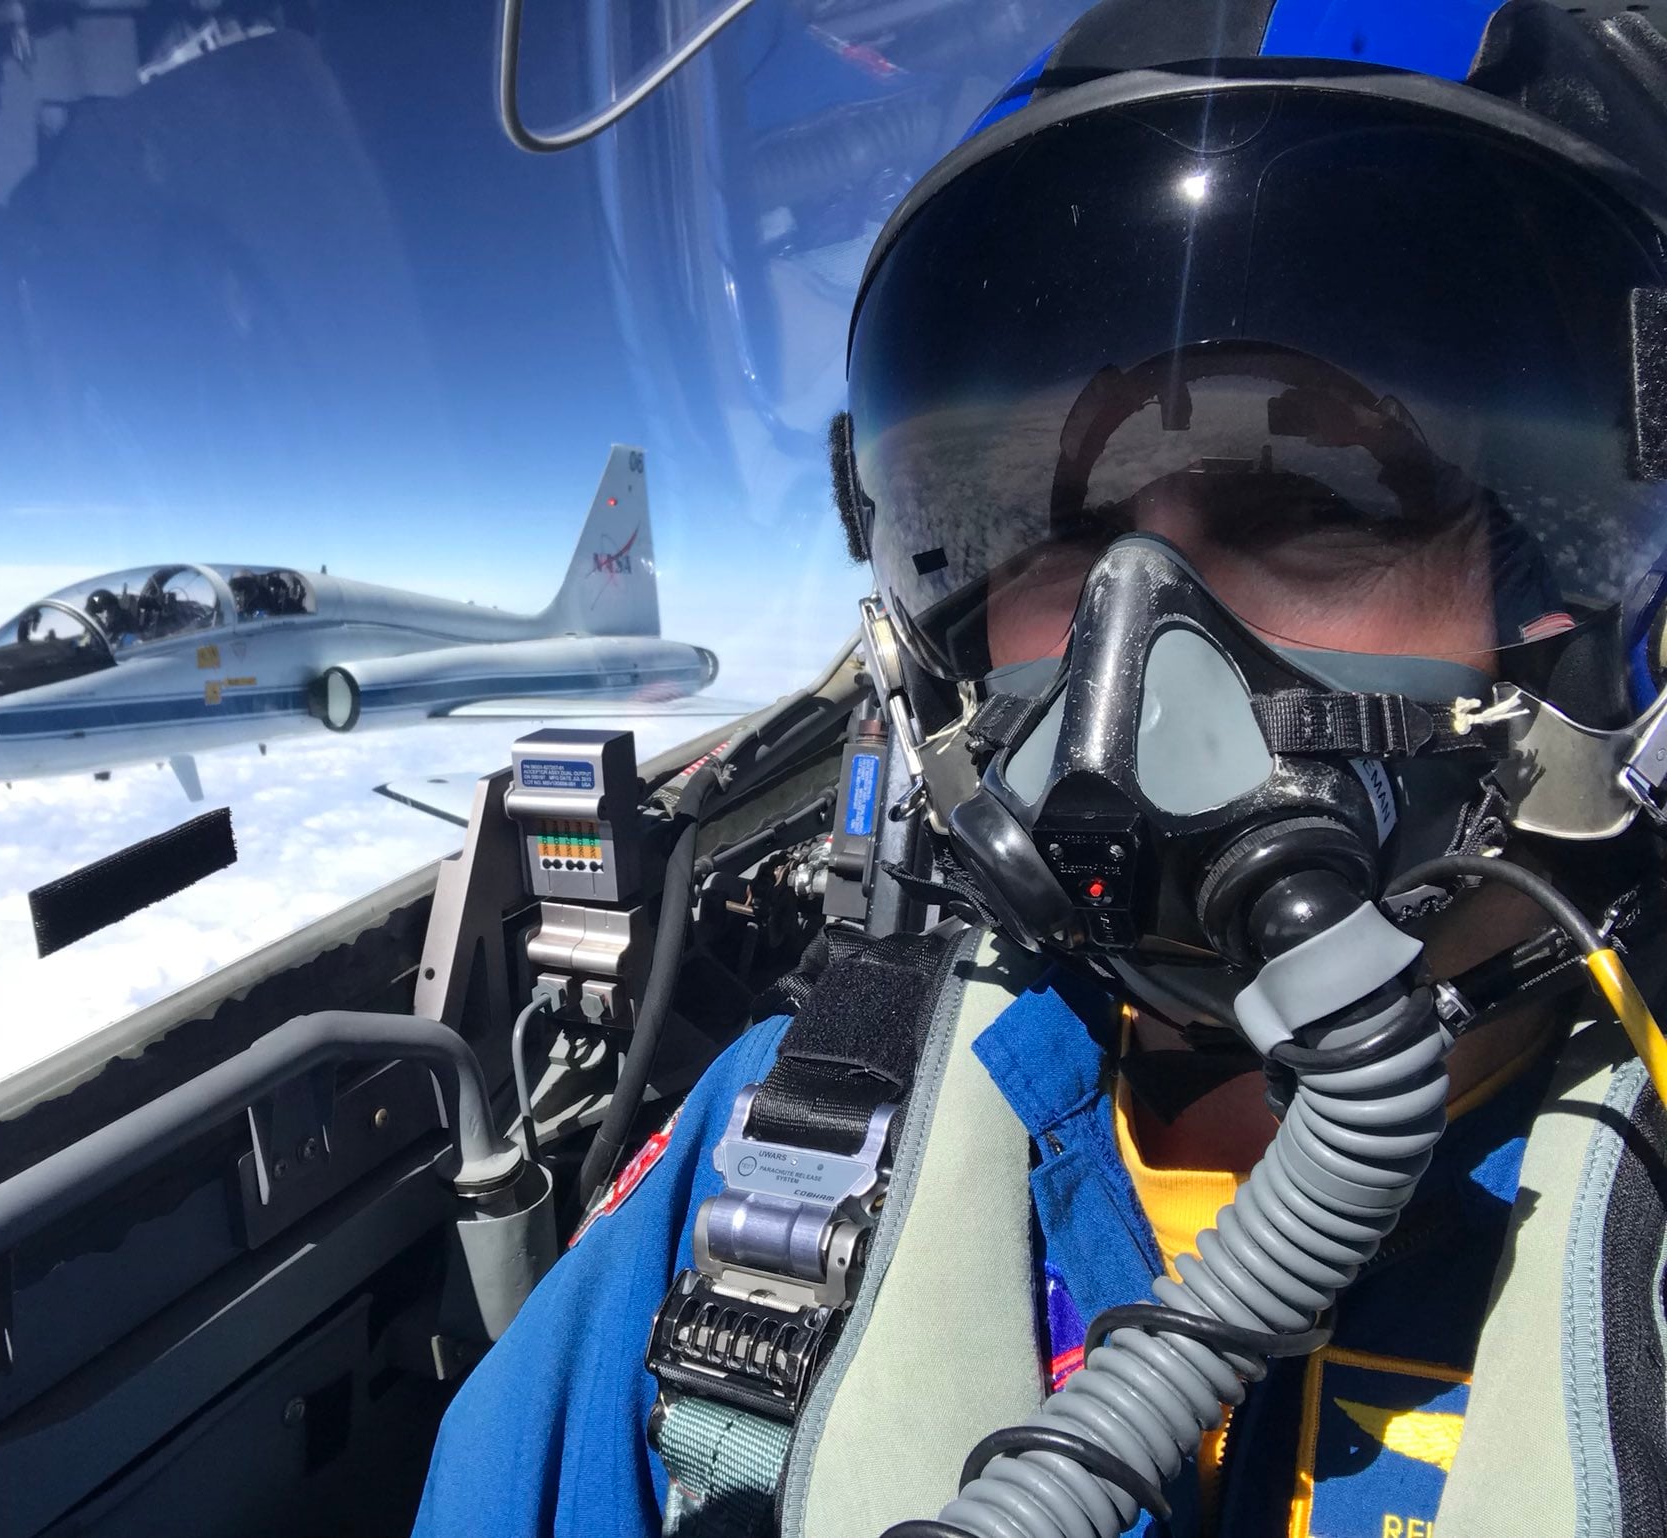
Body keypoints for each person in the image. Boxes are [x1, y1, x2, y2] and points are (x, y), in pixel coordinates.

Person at [416, 3, 1667, 1534]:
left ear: (1583, 612)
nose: (1128, 668)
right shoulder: (791, 1151)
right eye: (1062, 542)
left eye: (1307, 506)